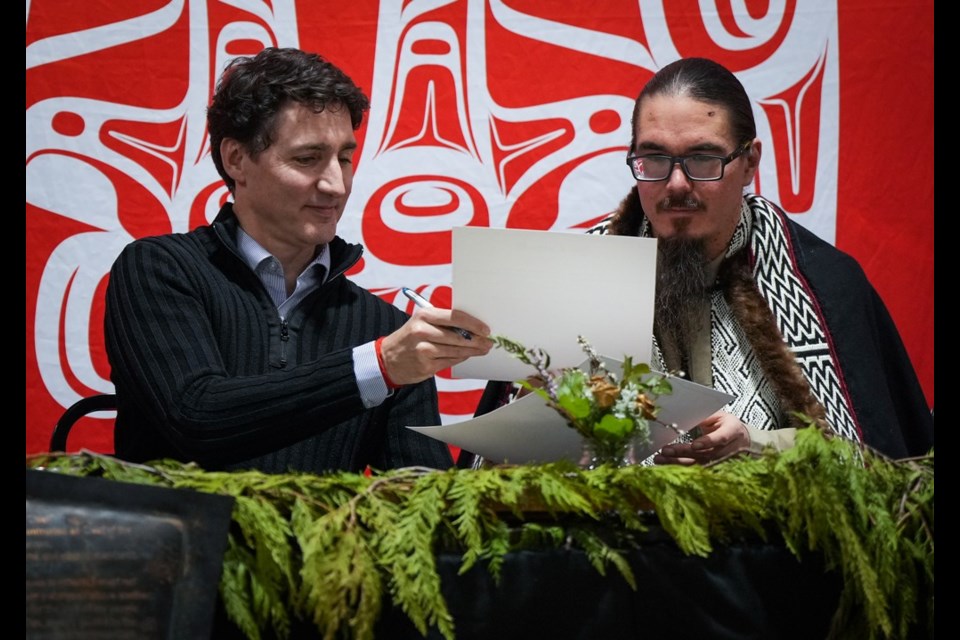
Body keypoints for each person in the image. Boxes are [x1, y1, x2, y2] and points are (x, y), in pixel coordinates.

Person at [473, 57, 932, 464]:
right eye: (654, 157)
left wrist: (757, 442)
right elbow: (504, 472)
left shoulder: (823, 284)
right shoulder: (573, 277)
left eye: (703, 158)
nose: (675, 184)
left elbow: (873, 466)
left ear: (750, 161)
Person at [104, 47, 492, 474]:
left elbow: (419, 497)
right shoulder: (159, 269)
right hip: (183, 539)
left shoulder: (387, 330)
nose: (335, 185)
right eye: (307, 159)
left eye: (344, 158)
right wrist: (377, 367)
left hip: (328, 543)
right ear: (236, 159)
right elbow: (197, 418)